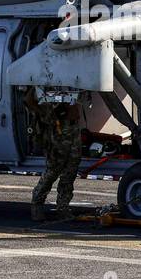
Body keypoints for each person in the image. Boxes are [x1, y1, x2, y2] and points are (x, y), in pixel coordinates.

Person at [27, 87, 84, 222]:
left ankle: (63, 207)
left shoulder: (68, 81)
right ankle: (37, 203)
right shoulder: (49, 80)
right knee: (54, 169)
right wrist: (46, 114)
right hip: (58, 129)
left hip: (73, 128)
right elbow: (28, 100)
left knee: (71, 169)